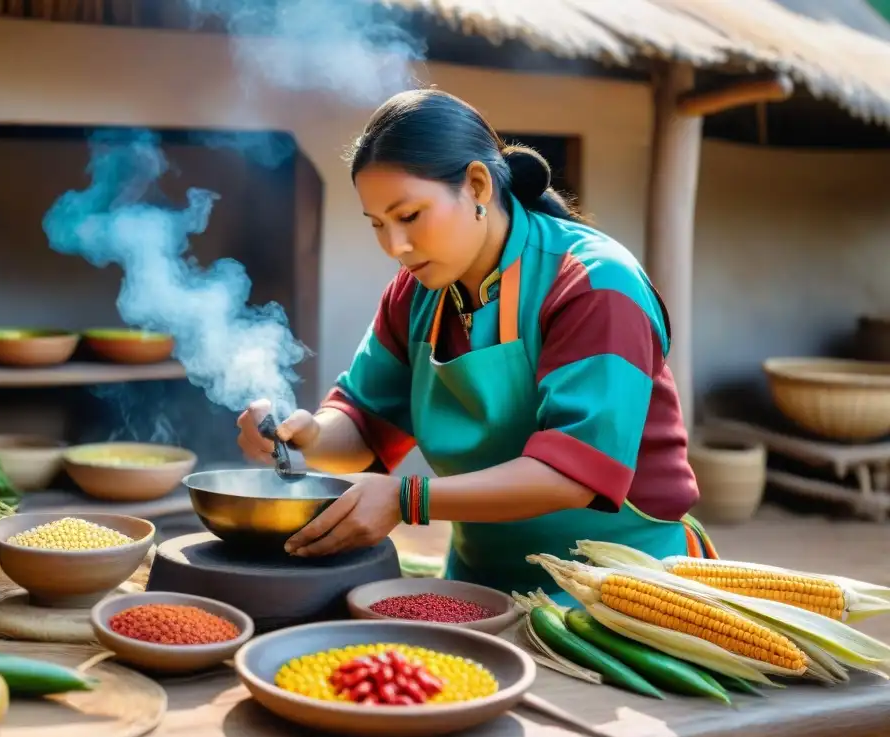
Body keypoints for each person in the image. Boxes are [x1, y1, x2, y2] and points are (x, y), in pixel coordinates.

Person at [236, 88, 713, 600]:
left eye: (410, 216)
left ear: (478, 185)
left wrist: (407, 500)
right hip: (478, 585)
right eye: (377, 224)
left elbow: (574, 474)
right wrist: (308, 435)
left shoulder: (594, 283)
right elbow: (365, 424)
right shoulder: (415, 293)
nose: (395, 247)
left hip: (624, 593)